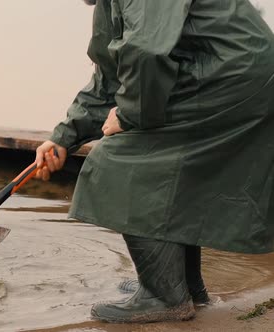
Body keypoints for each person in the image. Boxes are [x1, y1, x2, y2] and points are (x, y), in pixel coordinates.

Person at [35, 0, 274, 324]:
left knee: (118, 161)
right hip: (217, 73)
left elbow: (146, 51)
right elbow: (110, 77)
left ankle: (164, 296)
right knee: (172, 167)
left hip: (231, 76)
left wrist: (130, 114)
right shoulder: (109, 5)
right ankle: (184, 286)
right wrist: (63, 136)